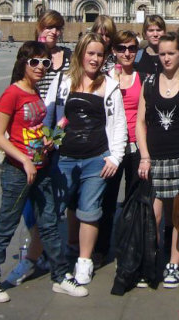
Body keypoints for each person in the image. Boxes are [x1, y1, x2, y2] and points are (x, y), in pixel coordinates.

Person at [0, 41, 88, 303]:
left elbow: (33, 128)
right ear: (23, 63)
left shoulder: (35, 91)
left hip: (41, 167)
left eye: (45, 63)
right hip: (18, 171)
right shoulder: (12, 93)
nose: (41, 67)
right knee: (6, 224)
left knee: (49, 222)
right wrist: (24, 160)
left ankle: (60, 276)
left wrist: (49, 139)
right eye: (34, 62)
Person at [45, 33, 127, 285]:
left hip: (97, 158)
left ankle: (84, 261)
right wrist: (47, 140)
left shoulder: (109, 84)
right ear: (81, 53)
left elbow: (119, 124)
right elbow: (49, 113)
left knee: (90, 211)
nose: (94, 59)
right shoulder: (62, 80)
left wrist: (115, 157)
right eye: (90, 53)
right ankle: (51, 256)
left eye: (99, 54)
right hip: (64, 157)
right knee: (56, 209)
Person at [6, 9, 72, 286]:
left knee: (54, 199)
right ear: (38, 28)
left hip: (58, 136)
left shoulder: (68, 57)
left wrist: (56, 136)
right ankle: (37, 248)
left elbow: (74, 97)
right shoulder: (28, 54)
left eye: (57, 28)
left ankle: (38, 254)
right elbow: (15, 92)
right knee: (28, 201)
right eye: (49, 27)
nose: (53, 32)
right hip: (29, 135)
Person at [136, 33, 179, 288]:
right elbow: (140, 123)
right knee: (152, 218)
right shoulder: (149, 83)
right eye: (163, 53)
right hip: (154, 160)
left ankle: (174, 264)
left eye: (171, 53)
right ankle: (153, 261)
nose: (166, 58)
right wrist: (144, 156)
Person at [96, 30, 143, 261]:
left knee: (134, 199)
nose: (127, 52)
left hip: (135, 147)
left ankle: (130, 246)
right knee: (107, 199)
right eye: (122, 48)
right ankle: (101, 248)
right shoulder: (104, 77)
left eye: (132, 48)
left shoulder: (142, 76)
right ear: (113, 51)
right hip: (111, 149)